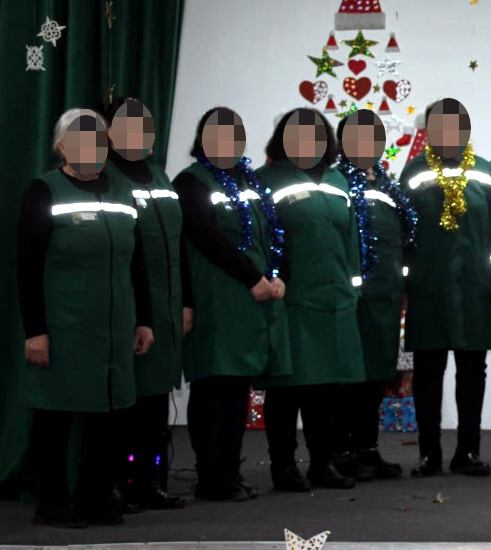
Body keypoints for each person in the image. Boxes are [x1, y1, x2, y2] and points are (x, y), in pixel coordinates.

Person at [18, 109, 155, 527]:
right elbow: (27, 266)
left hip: (115, 328)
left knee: (109, 415)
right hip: (65, 327)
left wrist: (144, 320)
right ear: (61, 147)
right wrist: (35, 331)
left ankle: (95, 496)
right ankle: (52, 502)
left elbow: (137, 262)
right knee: (56, 415)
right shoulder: (44, 190)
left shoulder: (123, 192)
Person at [175, 106, 289, 501]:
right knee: (213, 386)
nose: (227, 143)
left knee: (238, 387)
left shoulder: (249, 181)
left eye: (234, 136)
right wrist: (252, 278)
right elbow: (207, 238)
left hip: (250, 302)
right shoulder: (191, 182)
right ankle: (210, 475)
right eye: (218, 135)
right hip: (216, 299)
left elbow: (270, 232)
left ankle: (230, 469)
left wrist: (277, 274)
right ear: (202, 140)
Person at [401, 99, 491, 478]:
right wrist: (405, 281)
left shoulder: (485, 171)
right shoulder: (414, 172)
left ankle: (468, 451)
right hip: (429, 288)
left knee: (472, 372)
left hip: (475, 288)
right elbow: (403, 235)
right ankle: (429, 454)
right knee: (428, 373)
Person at [258, 108, 365, 491]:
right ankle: (284, 466)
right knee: (287, 389)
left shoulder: (338, 180)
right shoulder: (267, 180)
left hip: (336, 302)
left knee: (326, 389)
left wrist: (353, 289)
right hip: (292, 302)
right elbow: (260, 240)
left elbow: (352, 240)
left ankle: (322, 463)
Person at [101, 97, 187, 511]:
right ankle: (117, 481)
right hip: (130, 309)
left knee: (155, 404)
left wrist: (186, 302)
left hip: (167, 310)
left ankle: (150, 482)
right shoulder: (107, 178)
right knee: (125, 404)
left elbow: (180, 244)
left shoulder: (160, 176)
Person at [334, 110, 417, 481]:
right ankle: (341, 451)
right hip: (352, 298)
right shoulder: (335, 182)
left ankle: (367, 448)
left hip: (385, 295)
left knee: (376, 373)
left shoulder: (388, 186)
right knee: (349, 373)